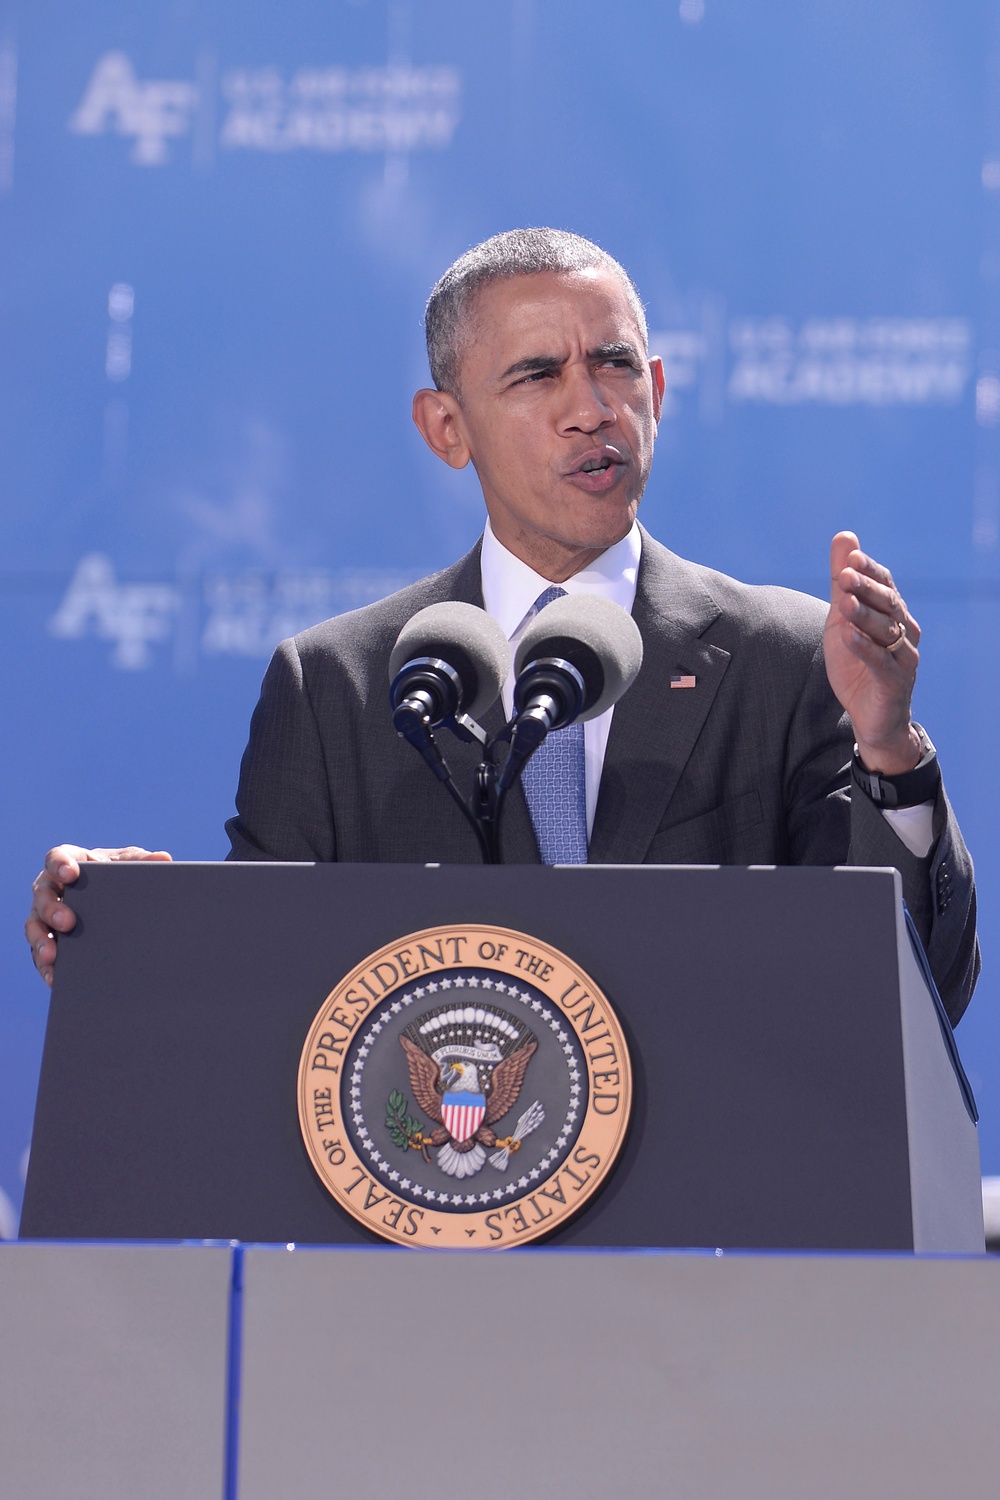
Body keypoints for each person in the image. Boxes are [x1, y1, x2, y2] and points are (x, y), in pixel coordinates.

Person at [26, 228, 978, 1022]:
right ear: (448, 428)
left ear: (656, 387)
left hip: (711, 1228)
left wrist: (889, 747)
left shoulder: (784, 656)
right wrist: (121, 931)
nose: (590, 407)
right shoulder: (342, 686)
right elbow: (255, 988)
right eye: (535, 375)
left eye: (613, 365)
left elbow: (921, 992)